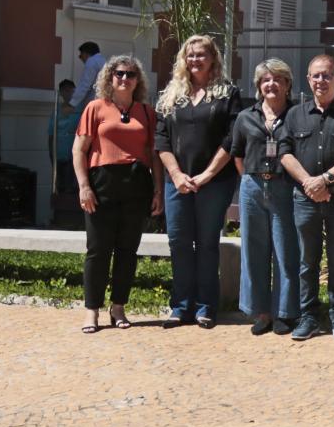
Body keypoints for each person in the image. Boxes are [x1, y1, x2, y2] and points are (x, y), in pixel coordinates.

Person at [155, 35, 243, 329]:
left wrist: (207, 175)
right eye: (190, 55)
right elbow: (162, 139)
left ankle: (206, 306)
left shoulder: (227, 94)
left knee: (207, 244)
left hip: (214, 181)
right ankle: (180, 306)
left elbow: (231, 139)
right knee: (179, 242)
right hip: (176, 181)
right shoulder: (171, 94)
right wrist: (177, 175)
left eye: (201, 55)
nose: (195, 60)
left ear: (212, 58)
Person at [280, 53, 334, 343]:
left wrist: (326, 180)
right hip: (305, 198)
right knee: (307, 262)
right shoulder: (294, 115)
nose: (321, 80)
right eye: (316, 75)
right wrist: (309, 183)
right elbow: (285, 153)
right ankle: (308, 317)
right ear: (308, 79)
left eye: (327, 75)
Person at [72, 55, 162, 333]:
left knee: (127, 251)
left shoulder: (147, 112)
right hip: (102, 183)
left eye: (131, 74)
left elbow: (153, 155)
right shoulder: (95, 108)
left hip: (136, 184)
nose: (125, 79)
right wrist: (83, 185)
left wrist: (158, 189)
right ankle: (92, 311)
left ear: (138, 80)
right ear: (110, 78)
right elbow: (79, 150)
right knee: (98, 250)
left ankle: (119, 306)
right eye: (119, 73)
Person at [232, 58, 301, 338]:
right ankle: (261, 312)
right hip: (252, 185)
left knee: (286, 250)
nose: (271, 84)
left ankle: (284, 312)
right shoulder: (245, 117)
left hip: (285, 186)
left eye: (277, 79)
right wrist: (252, 179)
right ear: (259, 86)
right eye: (265, 80)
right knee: (254, 250)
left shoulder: (297, 115)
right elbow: (237, 153)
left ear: (287, 85)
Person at [48, 79, 80, 196]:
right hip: (60, 155)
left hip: (74, 156)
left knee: (72, 187)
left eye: (70, 90)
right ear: (61, 93)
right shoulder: (56, 111)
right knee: (60, 187)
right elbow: (51, 134)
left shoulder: (80, 109)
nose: (68, 93)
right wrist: (52, 154)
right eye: (65, 91)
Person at [71, 40, 102, 108]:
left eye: (80, 56)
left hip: (94, 103)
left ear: (85, 53)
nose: (81, 59)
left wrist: (72, 103)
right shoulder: (103, 61)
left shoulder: (92, 62)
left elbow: (85, 84)